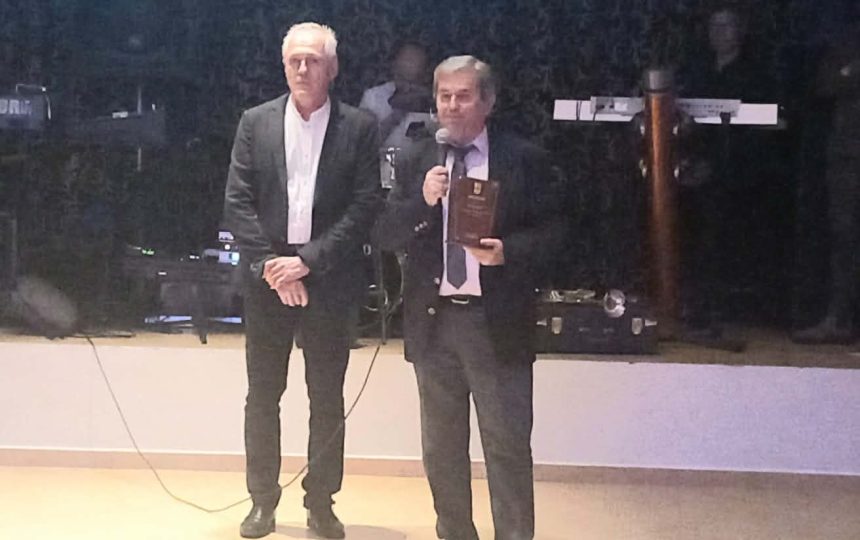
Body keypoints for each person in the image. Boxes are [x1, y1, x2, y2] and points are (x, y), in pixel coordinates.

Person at [374, 55, 565, 540]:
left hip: (494, 322)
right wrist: (421, 201)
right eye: (444, 96)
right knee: (440, 449)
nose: (452, 106)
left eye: (463, 96)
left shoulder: (523, 159)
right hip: (434, 322)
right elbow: (385, 233)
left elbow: (557, 233)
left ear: (488, 101)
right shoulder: (417, 157)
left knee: (506, 447)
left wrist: (509, 252)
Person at [223, 22, 381, 539]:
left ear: (332, 68)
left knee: (326, 397)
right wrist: (275, 267)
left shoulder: (360, 127)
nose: (303, 68)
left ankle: (321, 503)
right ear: (283, 65)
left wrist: (307, 261)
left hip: (329, 279)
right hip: (267, 279)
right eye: (295, 60)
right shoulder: (255, 122)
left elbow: (365, 206)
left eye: (313, 60)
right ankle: (261, 502)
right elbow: (237, 202)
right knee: (262, 395)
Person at [793, 15, 860, 344]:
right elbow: (826, 84)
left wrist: (850, 74)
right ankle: (839, 317)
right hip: (848, 153)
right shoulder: (846, 40)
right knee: (844, 237)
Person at [359, 41, 434, 149]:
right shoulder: (373, 98)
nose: (407, 88)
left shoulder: (436, 103)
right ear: (394, 68)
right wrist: (397, 114)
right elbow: (364, 143)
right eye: (402, 78)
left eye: (413, 82)